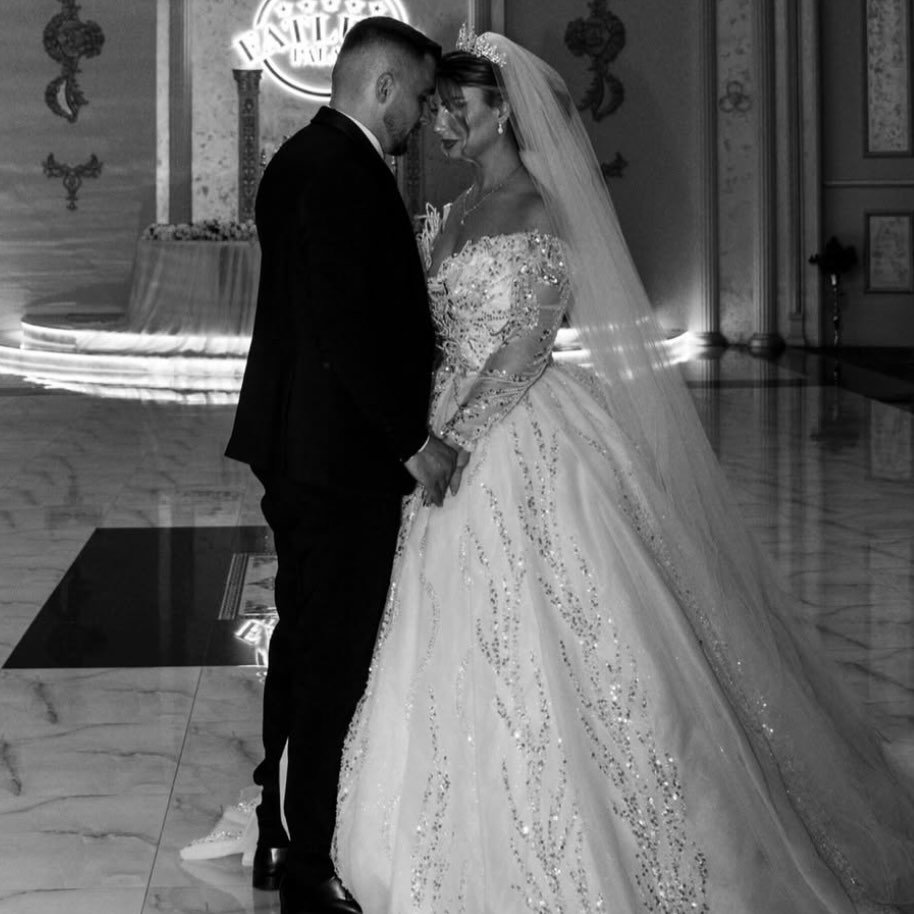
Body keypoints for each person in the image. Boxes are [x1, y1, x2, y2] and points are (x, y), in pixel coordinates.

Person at [331, 28, 914, 913]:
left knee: (582, 640)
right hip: (447, 429)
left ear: (504, 111)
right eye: (436, 105)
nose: (442, 121)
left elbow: (524, 350)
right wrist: (421, 430)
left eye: (457, 105)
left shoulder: (538, 210)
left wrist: (449, 440)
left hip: (513, 434)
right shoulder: (454, 211)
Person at [224, 18, 457, 914]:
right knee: (333, 660)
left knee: (303, 642)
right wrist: (411, 441)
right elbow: (340, 327)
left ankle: (277, 829)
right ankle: (308, 869)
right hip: (339, 460)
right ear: (384, 86)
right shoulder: (340, 170)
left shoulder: (305, 159)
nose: (421, 118)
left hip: (307, 451)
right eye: (420, 98)